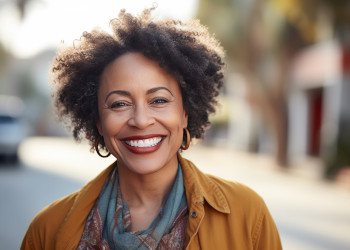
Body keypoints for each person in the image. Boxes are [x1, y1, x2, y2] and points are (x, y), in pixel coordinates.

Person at [21, 8, 282, 250]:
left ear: (185, 113)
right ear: (98, 121)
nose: (141, 120)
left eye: (158, 100)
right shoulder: (46, 231)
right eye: (120, 104)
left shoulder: (247, 216)